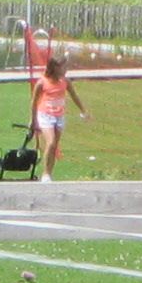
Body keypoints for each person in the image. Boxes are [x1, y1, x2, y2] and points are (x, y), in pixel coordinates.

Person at [25, 26, 86, 178]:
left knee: (54, 146)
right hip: (45, 115)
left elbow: (74, 96)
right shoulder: (42, 82)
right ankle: (45, 174)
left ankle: (49, 174)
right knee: (51, 142)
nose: (66, 69)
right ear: (55, 67)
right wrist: (33, 120)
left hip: (59, 116)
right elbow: (34, 102)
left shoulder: (65, 81)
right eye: (63, 66)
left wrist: (83, 110)